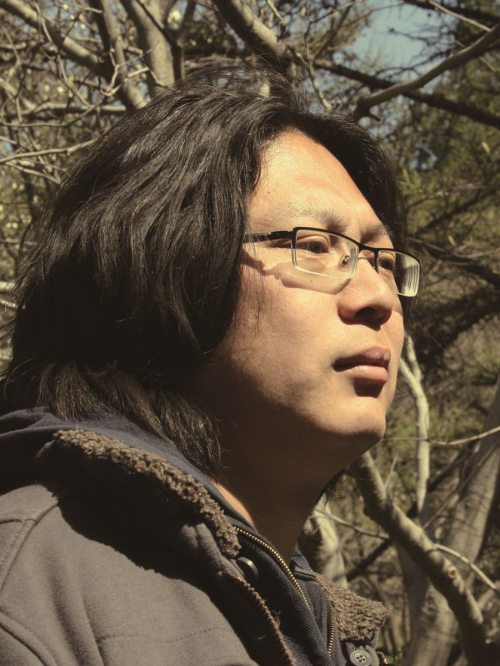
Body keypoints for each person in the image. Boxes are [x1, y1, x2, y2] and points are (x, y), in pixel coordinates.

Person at [0, 67, 419, 666]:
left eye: (384, 260)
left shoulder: (331, 636)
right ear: (165, 267)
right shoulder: (35, 591)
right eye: (314, 246)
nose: (378, 296)